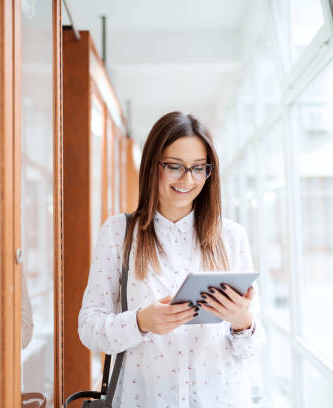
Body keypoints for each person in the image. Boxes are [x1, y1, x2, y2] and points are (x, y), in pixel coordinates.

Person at [78, 111, 264, 407]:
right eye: (175, 166)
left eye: (198, 168)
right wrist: (141, 321)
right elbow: (89, 328)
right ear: (153, 166)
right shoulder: (118, 233)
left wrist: (243, 322)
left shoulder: (231, 237)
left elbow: (251, 351)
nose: (187, 179)